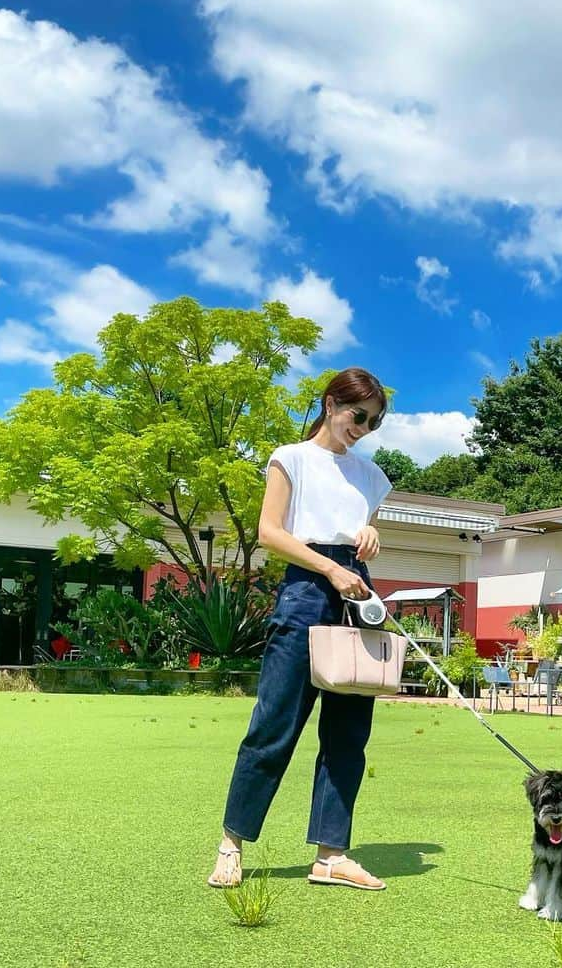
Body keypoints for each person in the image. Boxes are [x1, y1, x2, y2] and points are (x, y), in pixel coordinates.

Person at [207, 367, 393, 892]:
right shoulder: (290, 458)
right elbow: (270, 533)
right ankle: (231, 845)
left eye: (374, 423)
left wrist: (370, 533)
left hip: (357, 591)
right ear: (332, 402)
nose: (363, 427)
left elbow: (360, 523)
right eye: (359, 415)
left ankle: (331, 855)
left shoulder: (371, 476)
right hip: (306, 589)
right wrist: (330, 568)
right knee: (274, 725)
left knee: (349, 732)